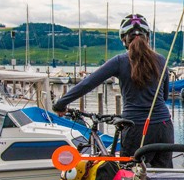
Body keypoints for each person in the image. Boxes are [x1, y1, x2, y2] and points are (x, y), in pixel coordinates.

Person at [52, 13, 174, 167]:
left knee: (129, 176)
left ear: (124, 40)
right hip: (163, 126)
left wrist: (61, 104)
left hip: (134, 126)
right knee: (165, 176)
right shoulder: (161, 60)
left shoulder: (120, 61)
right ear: (147, 37)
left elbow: (87, 83)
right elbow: (163, 95)